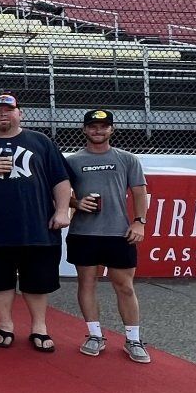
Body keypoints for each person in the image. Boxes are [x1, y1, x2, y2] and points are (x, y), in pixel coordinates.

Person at [0, 93, 75, 353]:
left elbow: (61, 179)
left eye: (9, 110)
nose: (3, 114)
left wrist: (63, 211)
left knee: (38, 280)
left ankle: (39, 327)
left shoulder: (41, 141)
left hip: (37, 226)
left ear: (20, 113)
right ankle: (5, 325)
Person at [66, 108, 151, 363]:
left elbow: (139, 192)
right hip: (84, 232)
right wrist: (76, 203)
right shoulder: (72, 161)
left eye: (103, 127)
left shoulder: (127, 159)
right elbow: (58, 194)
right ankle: (94, 335)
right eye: (92, 126)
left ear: (111, 129)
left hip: (118, 233)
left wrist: (139, 222)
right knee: (87, 283)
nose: (98, 131)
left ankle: (133, 339)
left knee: (124, 286)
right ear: (84, 129)